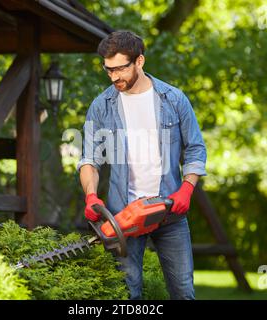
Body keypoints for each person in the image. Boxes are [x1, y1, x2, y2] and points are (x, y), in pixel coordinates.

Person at [77, 30, 207, 300]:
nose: (114, 77)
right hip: (122, 215)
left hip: (170, 212)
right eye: (108, 70)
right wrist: (90, 196)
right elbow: (90, 158)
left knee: (183, 292)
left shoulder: (173, 99)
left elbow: (195, 148)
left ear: (140, 61)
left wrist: (186, 189)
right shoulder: (102, 106)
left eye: (120, 69)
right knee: (127, 293)